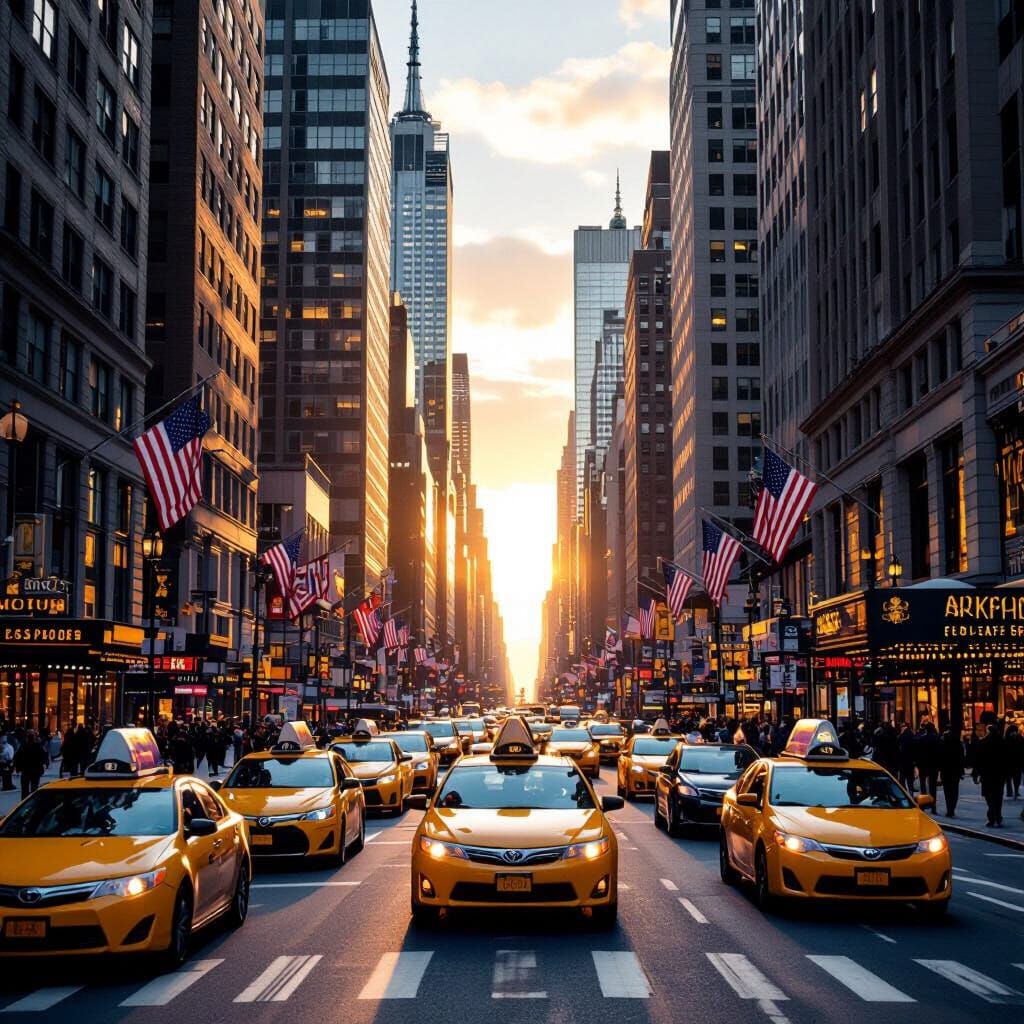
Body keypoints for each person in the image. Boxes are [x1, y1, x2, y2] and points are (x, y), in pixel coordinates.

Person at [972, 723, 1006, 827]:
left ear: (988, 731)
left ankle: (992, 816)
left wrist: (975, 773)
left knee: (989, 796)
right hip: (999, 774)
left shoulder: (983, 742)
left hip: (987, 774)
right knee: (998, 796)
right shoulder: (1002, 742)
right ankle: (998, 816)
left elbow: (978, 760)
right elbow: (1007, 759)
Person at [13, 730, 47, 799]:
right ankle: (33, 801)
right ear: (34, 738)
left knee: (25, 789)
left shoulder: (23, 747)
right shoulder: (38, 746)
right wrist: (42, 766)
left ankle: (24, 802)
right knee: (34, 787)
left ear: (27, 738)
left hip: (26, 770)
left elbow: (16, 758)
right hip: (35, 770)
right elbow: (44, 756)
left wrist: (18, 768)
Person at [939, 728, 965, 817]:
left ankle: (949, 808)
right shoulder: (957, 744)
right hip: (955, 771)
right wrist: (961, 770)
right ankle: (952, 808)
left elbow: (940, 759)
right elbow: (961, 758)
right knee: (954, 790)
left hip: (946, 771)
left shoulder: (942, 744)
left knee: (947, 791)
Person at [915, 719, 941, 800]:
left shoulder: (921, 739)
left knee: (923, 784)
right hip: (934, 764)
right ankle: (933, 803)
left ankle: (924, 801)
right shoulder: (937, 739)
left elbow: (918, 752)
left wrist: (917, 763)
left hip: (923, 764)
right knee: (932, 785)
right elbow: (940, 752)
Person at [1004, 723, 1023, 799]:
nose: (1014, 733)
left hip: (1016, 762)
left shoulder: (1019, 739)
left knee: (1016, 778)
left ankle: (1015, 791)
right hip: (1010, 763)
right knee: (1010, 778)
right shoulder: (1007, 739)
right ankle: (1011, 791)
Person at [897, 722, 917, 793]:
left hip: (903, 759)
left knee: (903, 777)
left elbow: (898, 743)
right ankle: (910, 789)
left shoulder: (902, 735)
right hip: (909, 759)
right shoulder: (911, 734)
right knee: (909, 777)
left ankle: (904, 790)